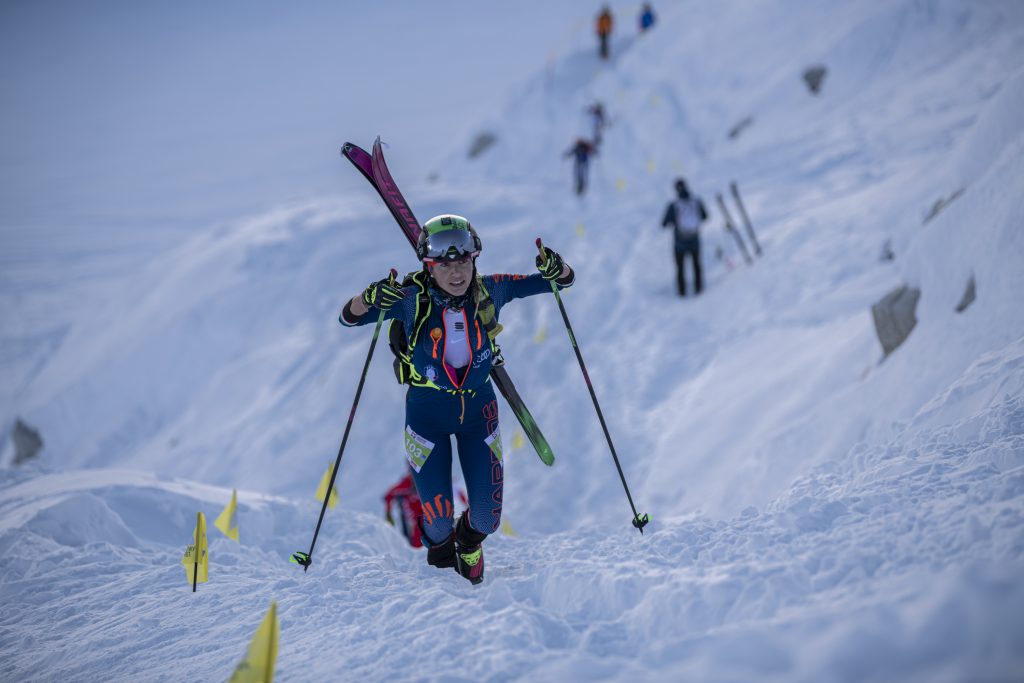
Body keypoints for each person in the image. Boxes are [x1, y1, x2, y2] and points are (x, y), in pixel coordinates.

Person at [340, 215, 574, 584]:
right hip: (426, 416)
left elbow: (558, 282)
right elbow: (349, 317)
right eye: (445, 264)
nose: (455, 272)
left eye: (463, 261)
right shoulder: (409, 299)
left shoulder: (491, 291)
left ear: (474, 260)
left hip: (479, 411)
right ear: (429, 267)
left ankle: (468, 544)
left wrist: (557, 266)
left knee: (486, 518)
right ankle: (442, 573)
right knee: (435, 521)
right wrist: (367, 297)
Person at [661, 178, 708, 296]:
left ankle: (682, 292)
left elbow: (664, 223)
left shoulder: (674, 205)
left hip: (679, 243)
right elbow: (705, 216)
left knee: (680, 268)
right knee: (696, 265)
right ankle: (699, 289)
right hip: (695, 240)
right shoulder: (697, 202)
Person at [383, 470, 423, 548]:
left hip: (429, 515)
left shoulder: (426, 480)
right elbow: (388, 495)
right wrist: (388, 513)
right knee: (417, 542)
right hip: (415, 520)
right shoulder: (405, 483)